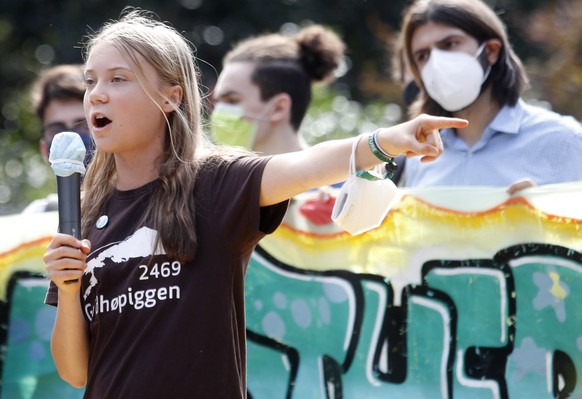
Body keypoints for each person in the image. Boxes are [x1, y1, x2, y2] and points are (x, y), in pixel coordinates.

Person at [42, 9, 467, 399]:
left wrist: (386, 141)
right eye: (90, 80)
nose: (96, 94)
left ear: (171, 97)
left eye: (118, 79)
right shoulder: (81, 214)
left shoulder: (213, 184)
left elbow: (304, 166)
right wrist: (67, 286)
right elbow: (76, 372)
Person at [395, 0, 582, 193]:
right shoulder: (420, 155)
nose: (436, 63)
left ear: (491, 50)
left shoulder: (565, 141)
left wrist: (541, 215)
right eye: (423, 56)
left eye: (450, 44)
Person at [211, 24, 344, 156]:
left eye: (232, 101)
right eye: (218, 102)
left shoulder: (341, 176)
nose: (219, 112)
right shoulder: (218, 176)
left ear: (279, 107)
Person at [23, 64, 94, 213]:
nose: (70, 141)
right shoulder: (36, 217)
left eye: (82, 126)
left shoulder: (143, 211)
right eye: (57, 131)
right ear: (44, 150)